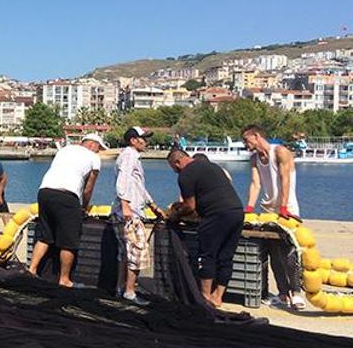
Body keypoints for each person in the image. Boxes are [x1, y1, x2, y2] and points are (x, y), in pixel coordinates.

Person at [167, 149, 244, 307]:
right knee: (226, 256)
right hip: (236, 211)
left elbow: (190, 206)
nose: (175, 172)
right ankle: (218, 296)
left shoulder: (185, 175)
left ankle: (205, 296)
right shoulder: (212, 166)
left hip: (216, 214)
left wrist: (176, 215)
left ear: (177, 162)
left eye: (173, 168)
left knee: (207, 255)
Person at [27, 133, 103, 288]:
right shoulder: (94, 157)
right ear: (93, 145)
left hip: (45, 192)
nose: (99, 151)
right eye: (99, 148)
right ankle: (64, 279)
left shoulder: (64, 150)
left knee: (45, 236)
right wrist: (84, 206)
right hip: (67, 195)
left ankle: (32, 270)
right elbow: (89, 187)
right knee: (69, 241)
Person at [241, 124, 305, 309]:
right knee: (273, 253)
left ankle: (297, 292)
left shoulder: (280, 152)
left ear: (256, 135)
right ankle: (283, 293)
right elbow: (255, 184)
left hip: (287, 207)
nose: (246, 144)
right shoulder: (254, 158)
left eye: (247, 140)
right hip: (268, 209)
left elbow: (285, 180)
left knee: (289, 253)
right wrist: (249, 207)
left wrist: (284, 207)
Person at [112, 126, 164, 306]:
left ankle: (120, 288)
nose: (146, 142)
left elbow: (138, 186)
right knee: (137, 252)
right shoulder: (129, 156)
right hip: (130, 213)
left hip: (124, 211)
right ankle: (129, 291)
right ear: (133, 140)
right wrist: (126, 206)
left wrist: (153, 205)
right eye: (143, 138)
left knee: (124, 254)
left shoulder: (130, 156)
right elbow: (123, 180)